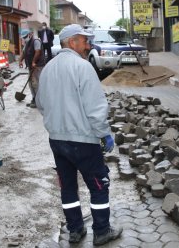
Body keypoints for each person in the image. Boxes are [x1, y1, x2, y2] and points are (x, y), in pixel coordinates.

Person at [35, 24, 122, 245]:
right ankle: (102, 231)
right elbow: (95, 107)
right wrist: (104, 134)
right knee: (99, 185)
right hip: (83, 140)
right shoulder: (83, 67)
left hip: (57, 140)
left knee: (68, 185)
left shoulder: (48, 69)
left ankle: (75, 230)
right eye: (84, 41)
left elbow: (41, 103)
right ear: (72, 42)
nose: (88, 45)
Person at [17, 29, 44, 108]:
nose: (24, 38)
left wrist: (34, 62)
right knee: (31, 84)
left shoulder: (36, 41)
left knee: (36, 84)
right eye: (23, 37)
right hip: (31, 66)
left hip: (38, 66)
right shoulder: (27, 42)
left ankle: (39, 101)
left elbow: (38, 51)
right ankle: (34, 98)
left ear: (29, 34)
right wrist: (20, 61)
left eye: (25, 36)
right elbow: (24, 52)